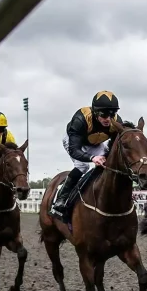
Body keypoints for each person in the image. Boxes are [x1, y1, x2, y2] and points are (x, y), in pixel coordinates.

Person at [50, 90, 125, 218]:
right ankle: (61, 198)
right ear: (95, 112)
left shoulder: (116, 122)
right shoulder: (81, 119)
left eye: (112, 113)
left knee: (107, 164)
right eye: (104, 114)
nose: (108, 118)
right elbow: (74, 149)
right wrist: (92, 157)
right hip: (75, 142)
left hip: (95, 144)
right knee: (83, 166)